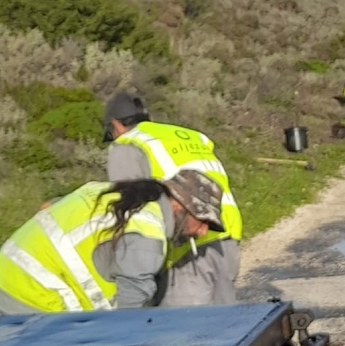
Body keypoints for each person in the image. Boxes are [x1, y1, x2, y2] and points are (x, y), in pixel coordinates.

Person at [0, 170, 224, 315]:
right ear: (178, 205)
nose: (203, 232)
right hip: (34, 296)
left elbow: (50, 206)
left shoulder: (117, 194)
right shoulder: (147, 235)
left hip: (5, 277)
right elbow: (129, 318)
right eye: (202, 219)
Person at [102, 91, 242, 307]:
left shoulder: (128, 144)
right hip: (226, 236)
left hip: (185, 246)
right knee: (227, 328)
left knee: (187, 333)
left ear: (115, 125)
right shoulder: (188, 135)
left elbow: (128, 205)